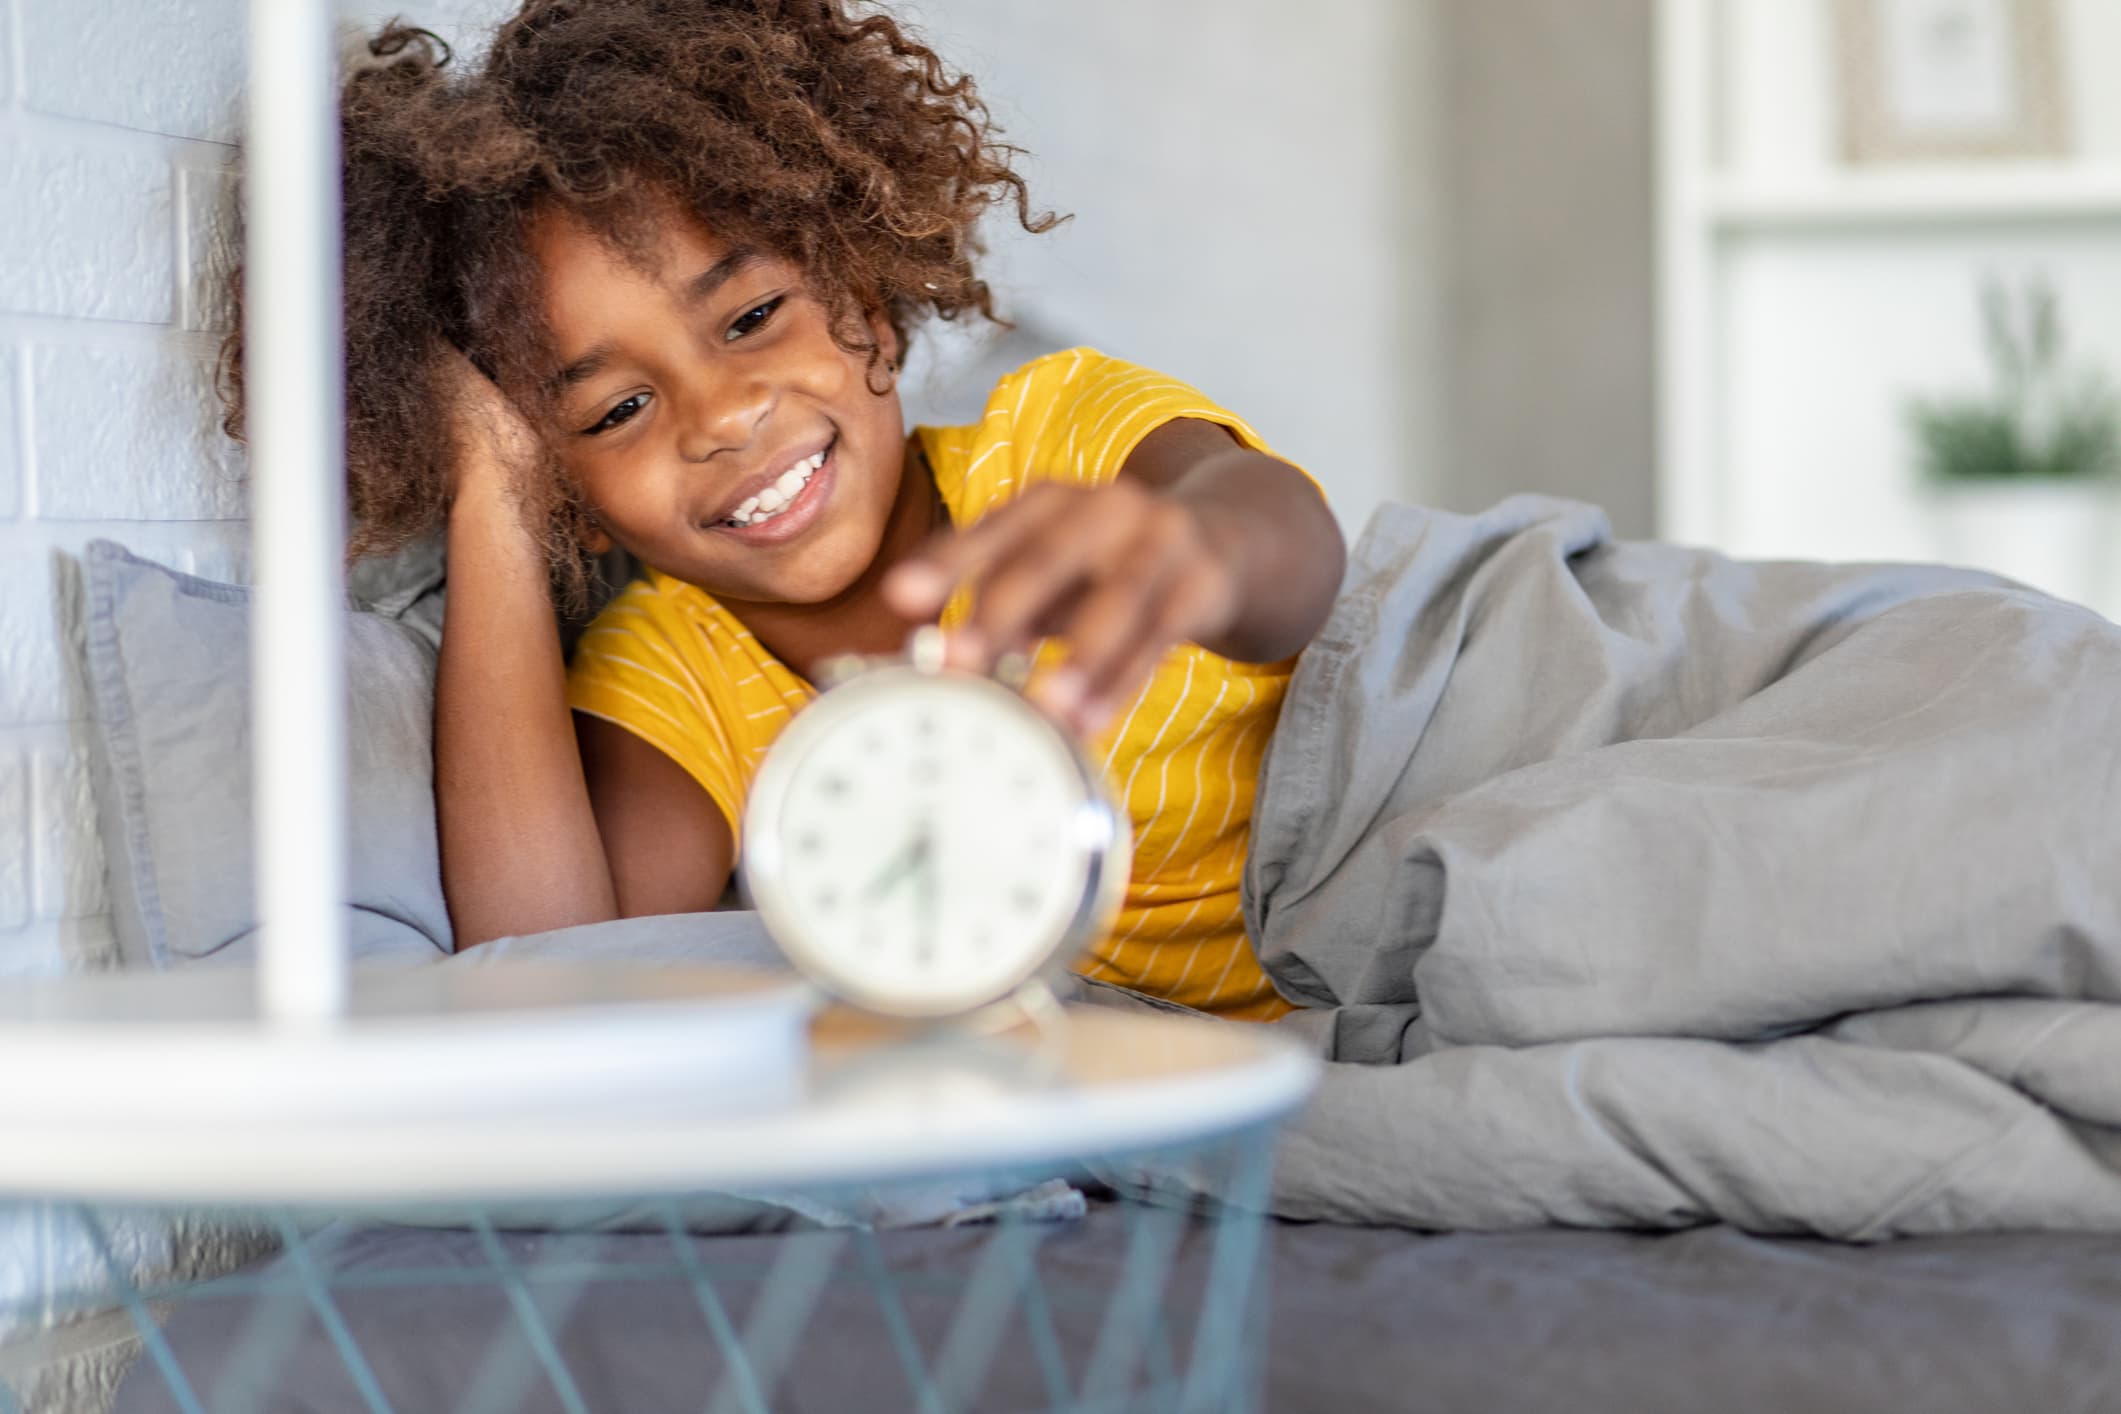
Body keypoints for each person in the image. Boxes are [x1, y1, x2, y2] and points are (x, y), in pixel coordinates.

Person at [220, 0, 1345, 1021]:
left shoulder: (1063, 438)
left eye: (752, 314)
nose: (719, 416)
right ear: (584, 509)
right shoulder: (672, 668)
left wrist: (1202, 549)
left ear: (867, 298)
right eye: (616, 412)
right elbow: (556, 971)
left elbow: (1297, 559)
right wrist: (499, 491)